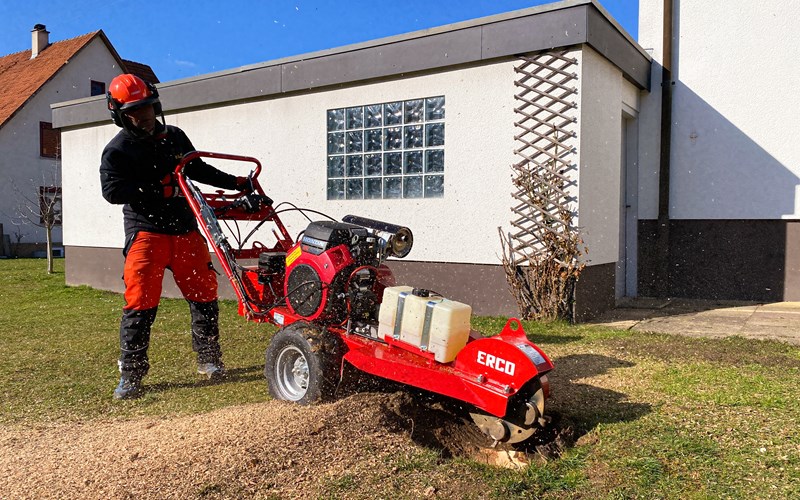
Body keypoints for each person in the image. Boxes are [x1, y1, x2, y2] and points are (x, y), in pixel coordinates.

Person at [100, 74, 250, 400]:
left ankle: (209, 360)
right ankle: (132, 375)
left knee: (204, 296)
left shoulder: (175, 137)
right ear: (120, 115)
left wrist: (235, 181)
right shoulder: (118, 151)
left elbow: (198, 169)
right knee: (140, 303)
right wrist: (151, 190)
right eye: (135, 112)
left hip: (185, 230)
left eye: (148, 108)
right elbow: (111, 191)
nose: (145, 117)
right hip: (146, 232)